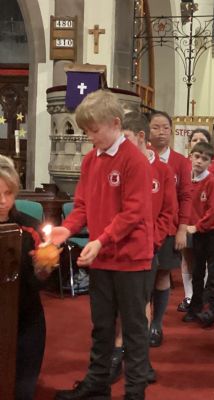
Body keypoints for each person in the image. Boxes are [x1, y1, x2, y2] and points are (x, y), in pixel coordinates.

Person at [52, 90, 154, 400]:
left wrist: (101, 240)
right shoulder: (90, 160)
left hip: (131, 258)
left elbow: (133, 212)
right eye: (86, 131)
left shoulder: (134, 160)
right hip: (102, 255)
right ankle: (97, 383)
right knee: (102, 326)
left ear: (115, 123)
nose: (90, 137)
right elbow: (82, 205)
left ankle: (134, 392)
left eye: (94, 130)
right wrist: (67, 229)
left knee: (134, 330)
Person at [109, 111, 177, 384]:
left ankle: (138, 357)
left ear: (140, 137)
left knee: (141, 304)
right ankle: (117, 351)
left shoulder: (162, 170)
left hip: (148, 247)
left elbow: (168, 212)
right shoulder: (120, 165)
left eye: (125, 139)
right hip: (120, 244)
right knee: (119, 302)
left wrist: (152, 240)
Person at [0, 155, 49, 400]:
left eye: (8, 193)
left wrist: (43, 269)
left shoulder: (30, 228)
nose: (2, 201)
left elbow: (38, 282)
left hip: (25, 320)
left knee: (21, 392)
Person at [148, 111, 192, 347]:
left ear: (171, 131)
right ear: (147, 131)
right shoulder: (140, 158)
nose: (161, 132)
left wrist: (182, 228)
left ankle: (156, 324)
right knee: (143, 278)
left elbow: (185, 196)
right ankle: (142, 322)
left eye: (165, 127)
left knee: (162, 273)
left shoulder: (180, 162)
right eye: (156, 127)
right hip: (145, 227)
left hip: (169, 227)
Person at [177, 128, 214, 313]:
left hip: (212, 231)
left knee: (213, 272)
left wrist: (197, 227)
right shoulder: (187, 180)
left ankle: (210, 310)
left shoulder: (212, 182)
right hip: (195, 230)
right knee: (196, 270)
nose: (199, 161)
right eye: (197, 157)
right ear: (190, 156)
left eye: (204, 159)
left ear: (210, 162)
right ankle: (194, 306)